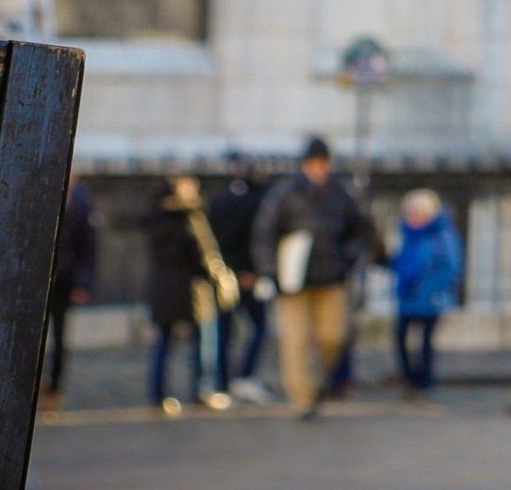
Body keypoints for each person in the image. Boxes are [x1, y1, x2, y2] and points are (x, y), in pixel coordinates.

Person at [252, 137, 373, 420]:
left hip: (331, 277)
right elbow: (264, 233)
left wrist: (348, 257)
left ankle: (317, 381)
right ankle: (302, 398)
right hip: (293, 279)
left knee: (334, 336)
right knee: (295, 341)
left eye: (323, 163)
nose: (319, 169)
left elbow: (359, 231)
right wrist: (271, 270)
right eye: (314, 163)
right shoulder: (285, 192)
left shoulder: (340, 193)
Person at [142, 173, 239, 416]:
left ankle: (158, 394)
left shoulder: (155, 216)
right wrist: (217, 276)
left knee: (164, 343)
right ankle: (201, 390)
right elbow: (203, 253)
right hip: (193, 289)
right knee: (203, 341)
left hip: (164, 290)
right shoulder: (190, 217)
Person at [206, 159, 275, 403]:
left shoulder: (218, 199)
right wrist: (250, 271)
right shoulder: (254, 202)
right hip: (244, 275)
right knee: (259, 325)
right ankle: (243, 376)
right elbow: (253, 238)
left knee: (224, 331)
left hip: (221, 273)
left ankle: (223, 381)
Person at [390, 189, 463, 397]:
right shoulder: (407, 234)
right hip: (408, 295)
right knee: (401, 338)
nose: (414, 217)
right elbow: (401, 261)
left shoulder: (443, 235)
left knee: (425, 342)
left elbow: (452, 267)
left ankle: (423, 382)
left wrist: (433, 289)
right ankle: (409, 378)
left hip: (431, 297)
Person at [46, 177, 97, 410]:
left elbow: (88, 248)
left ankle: (55, 387)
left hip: (64, 281)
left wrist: (82, 284)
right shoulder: (45, 195)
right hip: (39, 279)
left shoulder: (82, 205)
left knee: (60, 337)